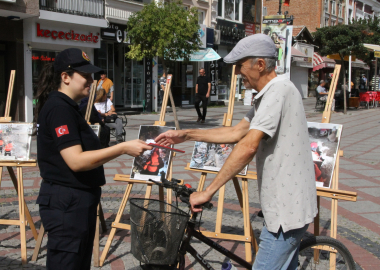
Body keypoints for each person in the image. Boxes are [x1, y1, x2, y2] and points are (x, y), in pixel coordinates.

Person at [155, 34, 317, 270]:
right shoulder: (267, 96)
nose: (238, 73)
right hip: (286, 209)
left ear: (260, 65)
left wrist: (208, 191)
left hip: (286, 213)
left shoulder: (278, 91)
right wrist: (186, 134)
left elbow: (248, 145)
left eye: (240, 66)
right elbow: (236, 133)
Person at [34, 48, 151, 270]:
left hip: (75, 201)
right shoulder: (60, 109)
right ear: (65, 77)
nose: (92, 81)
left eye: (92, 76)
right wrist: (123, 148)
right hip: (66, 203)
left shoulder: (68, 107)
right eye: (85, 76)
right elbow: (76, 160)